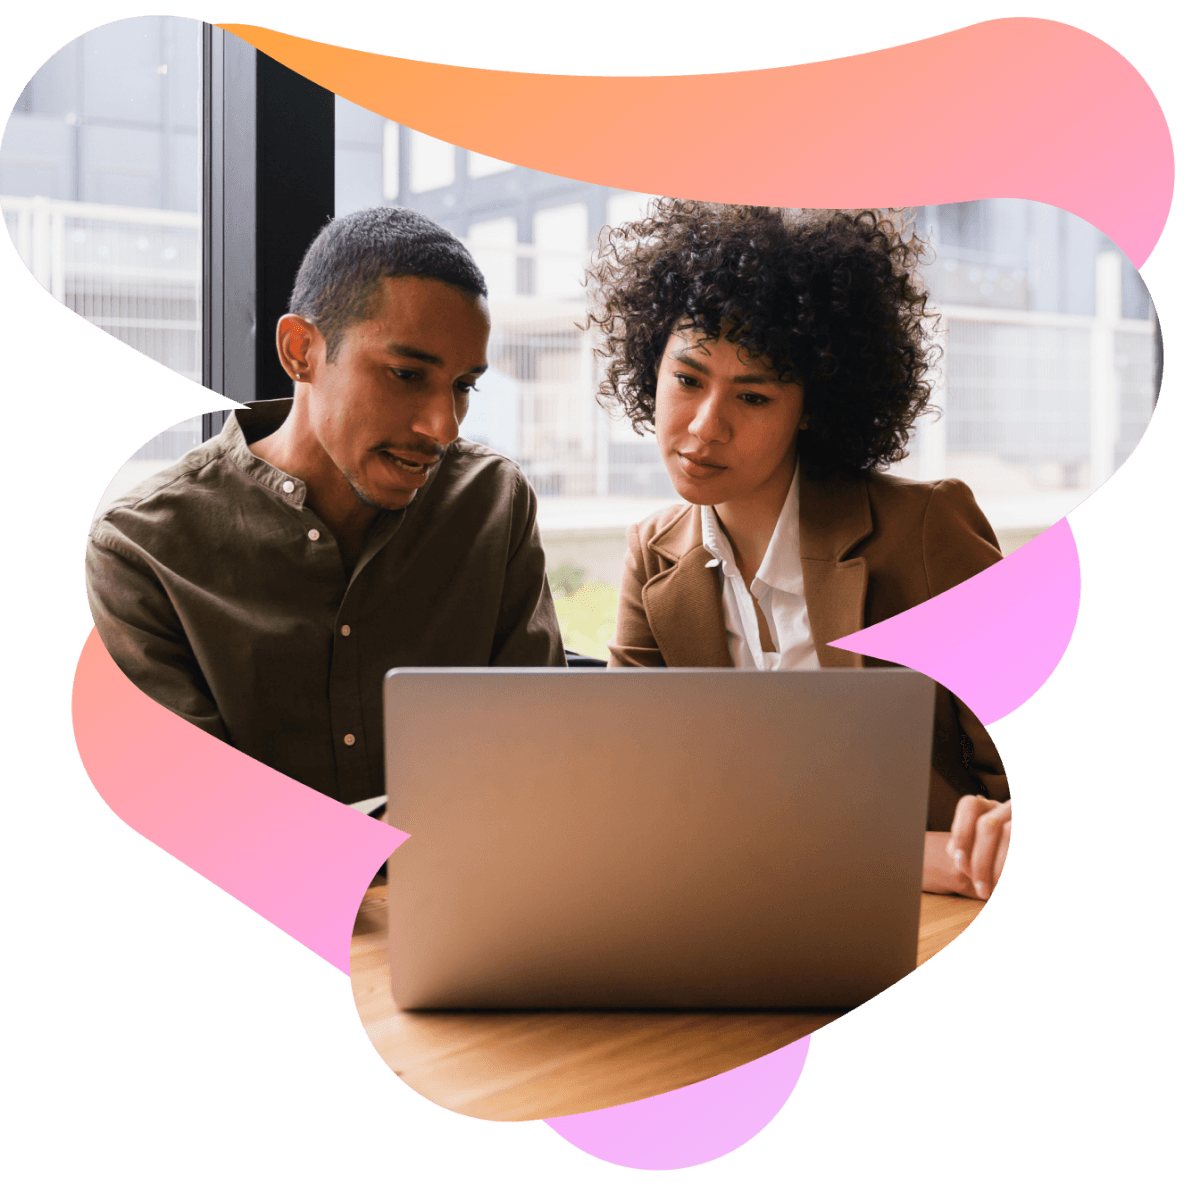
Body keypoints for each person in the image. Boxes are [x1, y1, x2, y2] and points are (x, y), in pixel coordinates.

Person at [588, 200, 1010, 900]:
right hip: (751, 910)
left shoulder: (926, 530)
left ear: (810, 407)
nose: (704, 426)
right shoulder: (655, 556)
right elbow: (630, 793)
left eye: (751, 397)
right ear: (650, 366)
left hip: (941, 919)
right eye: (687, 380)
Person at [86, 206, 566, 805]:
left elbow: (537, 760)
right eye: (406, 373)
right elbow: (187, 819)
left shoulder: (493, 502)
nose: (443, 427)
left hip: (474, 894)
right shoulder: (140, 550)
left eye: (464, 386)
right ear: (300, 351)